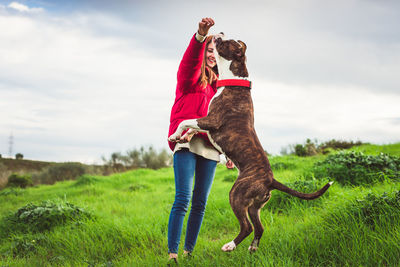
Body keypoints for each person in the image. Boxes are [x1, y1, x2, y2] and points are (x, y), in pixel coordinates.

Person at [167, 17, 219, 263]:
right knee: (183, 198)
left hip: (209, 146)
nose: (212, 55)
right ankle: (172, 254)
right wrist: (201, 36)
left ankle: (189, 253)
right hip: (186, 141)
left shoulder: (216, 88)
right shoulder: (188, 78)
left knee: (200, 202)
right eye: (209, 50)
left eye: (215, 52)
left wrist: (227, 152)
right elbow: (190, 60)